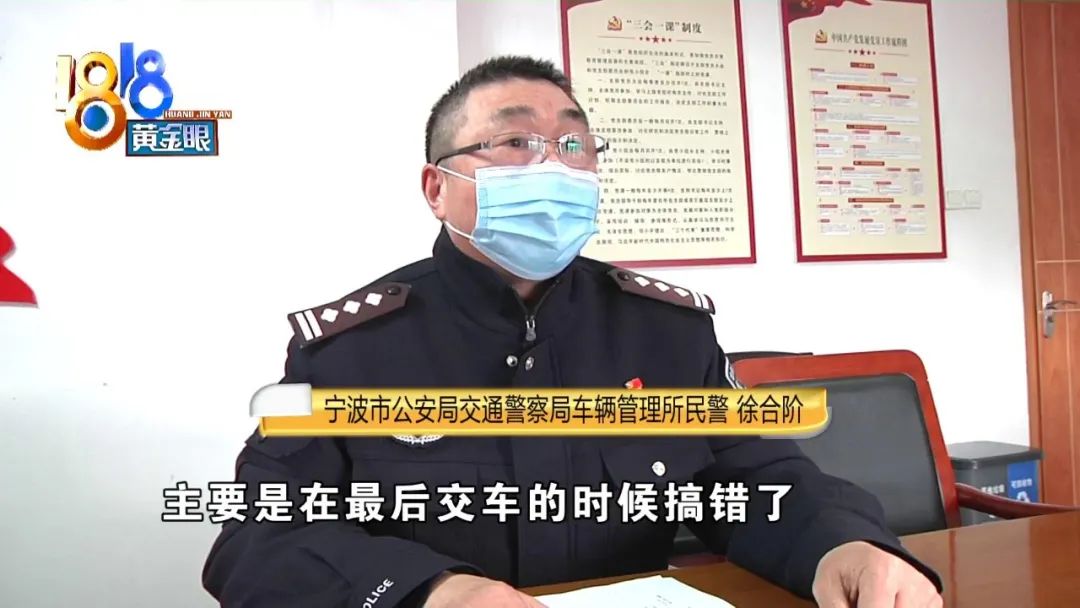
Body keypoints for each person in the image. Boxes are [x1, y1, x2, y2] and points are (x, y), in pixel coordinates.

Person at [203, 56, 943, 608]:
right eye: (515, 142)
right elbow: (256, 540)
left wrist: (842, 545)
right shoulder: (349, 350)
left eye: (573, 145)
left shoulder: (666, 331)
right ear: (437, 188)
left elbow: (753, 480)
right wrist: (431, 590)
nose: (551, 165)